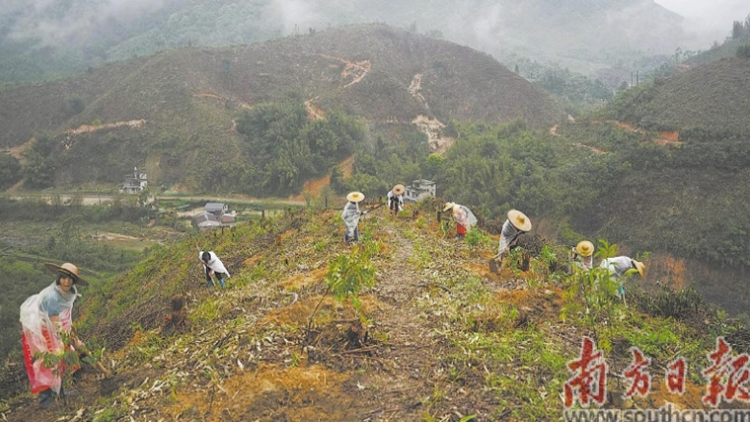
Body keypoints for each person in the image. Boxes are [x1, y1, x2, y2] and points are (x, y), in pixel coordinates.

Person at [20, 263, 89, 408]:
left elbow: (65, 318)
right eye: (63, 278)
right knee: (47, 360)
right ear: (59, 278)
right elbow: (55, 321)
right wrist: (67, 339)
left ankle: (61, 392)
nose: (67, 282)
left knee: (63, 355)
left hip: (54, 326)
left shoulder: (69, 293)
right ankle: (45, 400)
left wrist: (72, 338)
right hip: (39, 329)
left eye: (70, 279)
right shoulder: (52, 296)